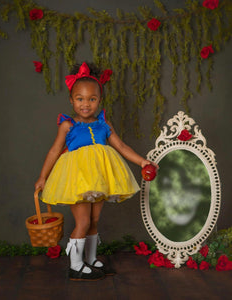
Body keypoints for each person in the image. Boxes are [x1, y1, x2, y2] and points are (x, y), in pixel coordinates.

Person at [35, 62, 158, 281]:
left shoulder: (103, 124)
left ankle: (90, 259)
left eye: (92, 99)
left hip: (99, 180)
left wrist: (142, 162)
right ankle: (75, 265)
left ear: (99, 101)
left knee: (93, 221)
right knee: (82, 222)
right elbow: (54, 151)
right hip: (78, 180)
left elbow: (121, 147)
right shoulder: (68, 125)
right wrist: (43, 176)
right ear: (71, 100)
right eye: (80, 99)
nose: (85, 104)